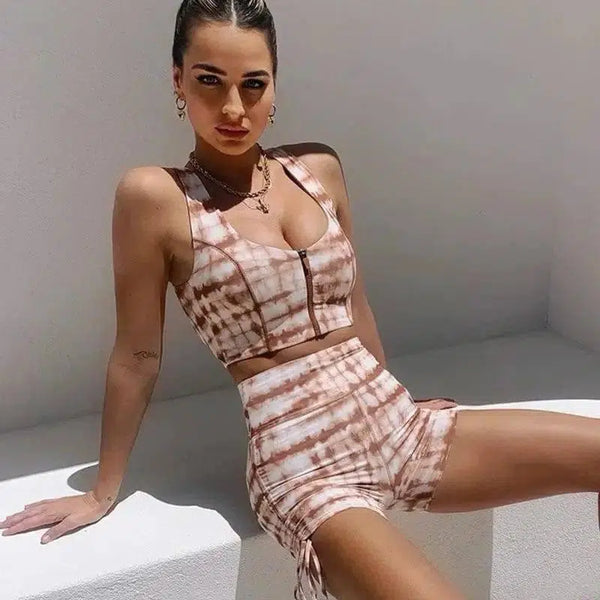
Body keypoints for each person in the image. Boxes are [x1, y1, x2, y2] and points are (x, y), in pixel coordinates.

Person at [2, 2, 599, 599]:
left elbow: (355, 306)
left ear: (274, 86)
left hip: (395, 421)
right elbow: (137, 355)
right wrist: (102, 490)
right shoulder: (155, 197)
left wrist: (394, 394)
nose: (233, 108)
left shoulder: (318, 168)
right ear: (178, 80)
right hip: (302, 461)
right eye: (210, 80)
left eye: (252, 84)